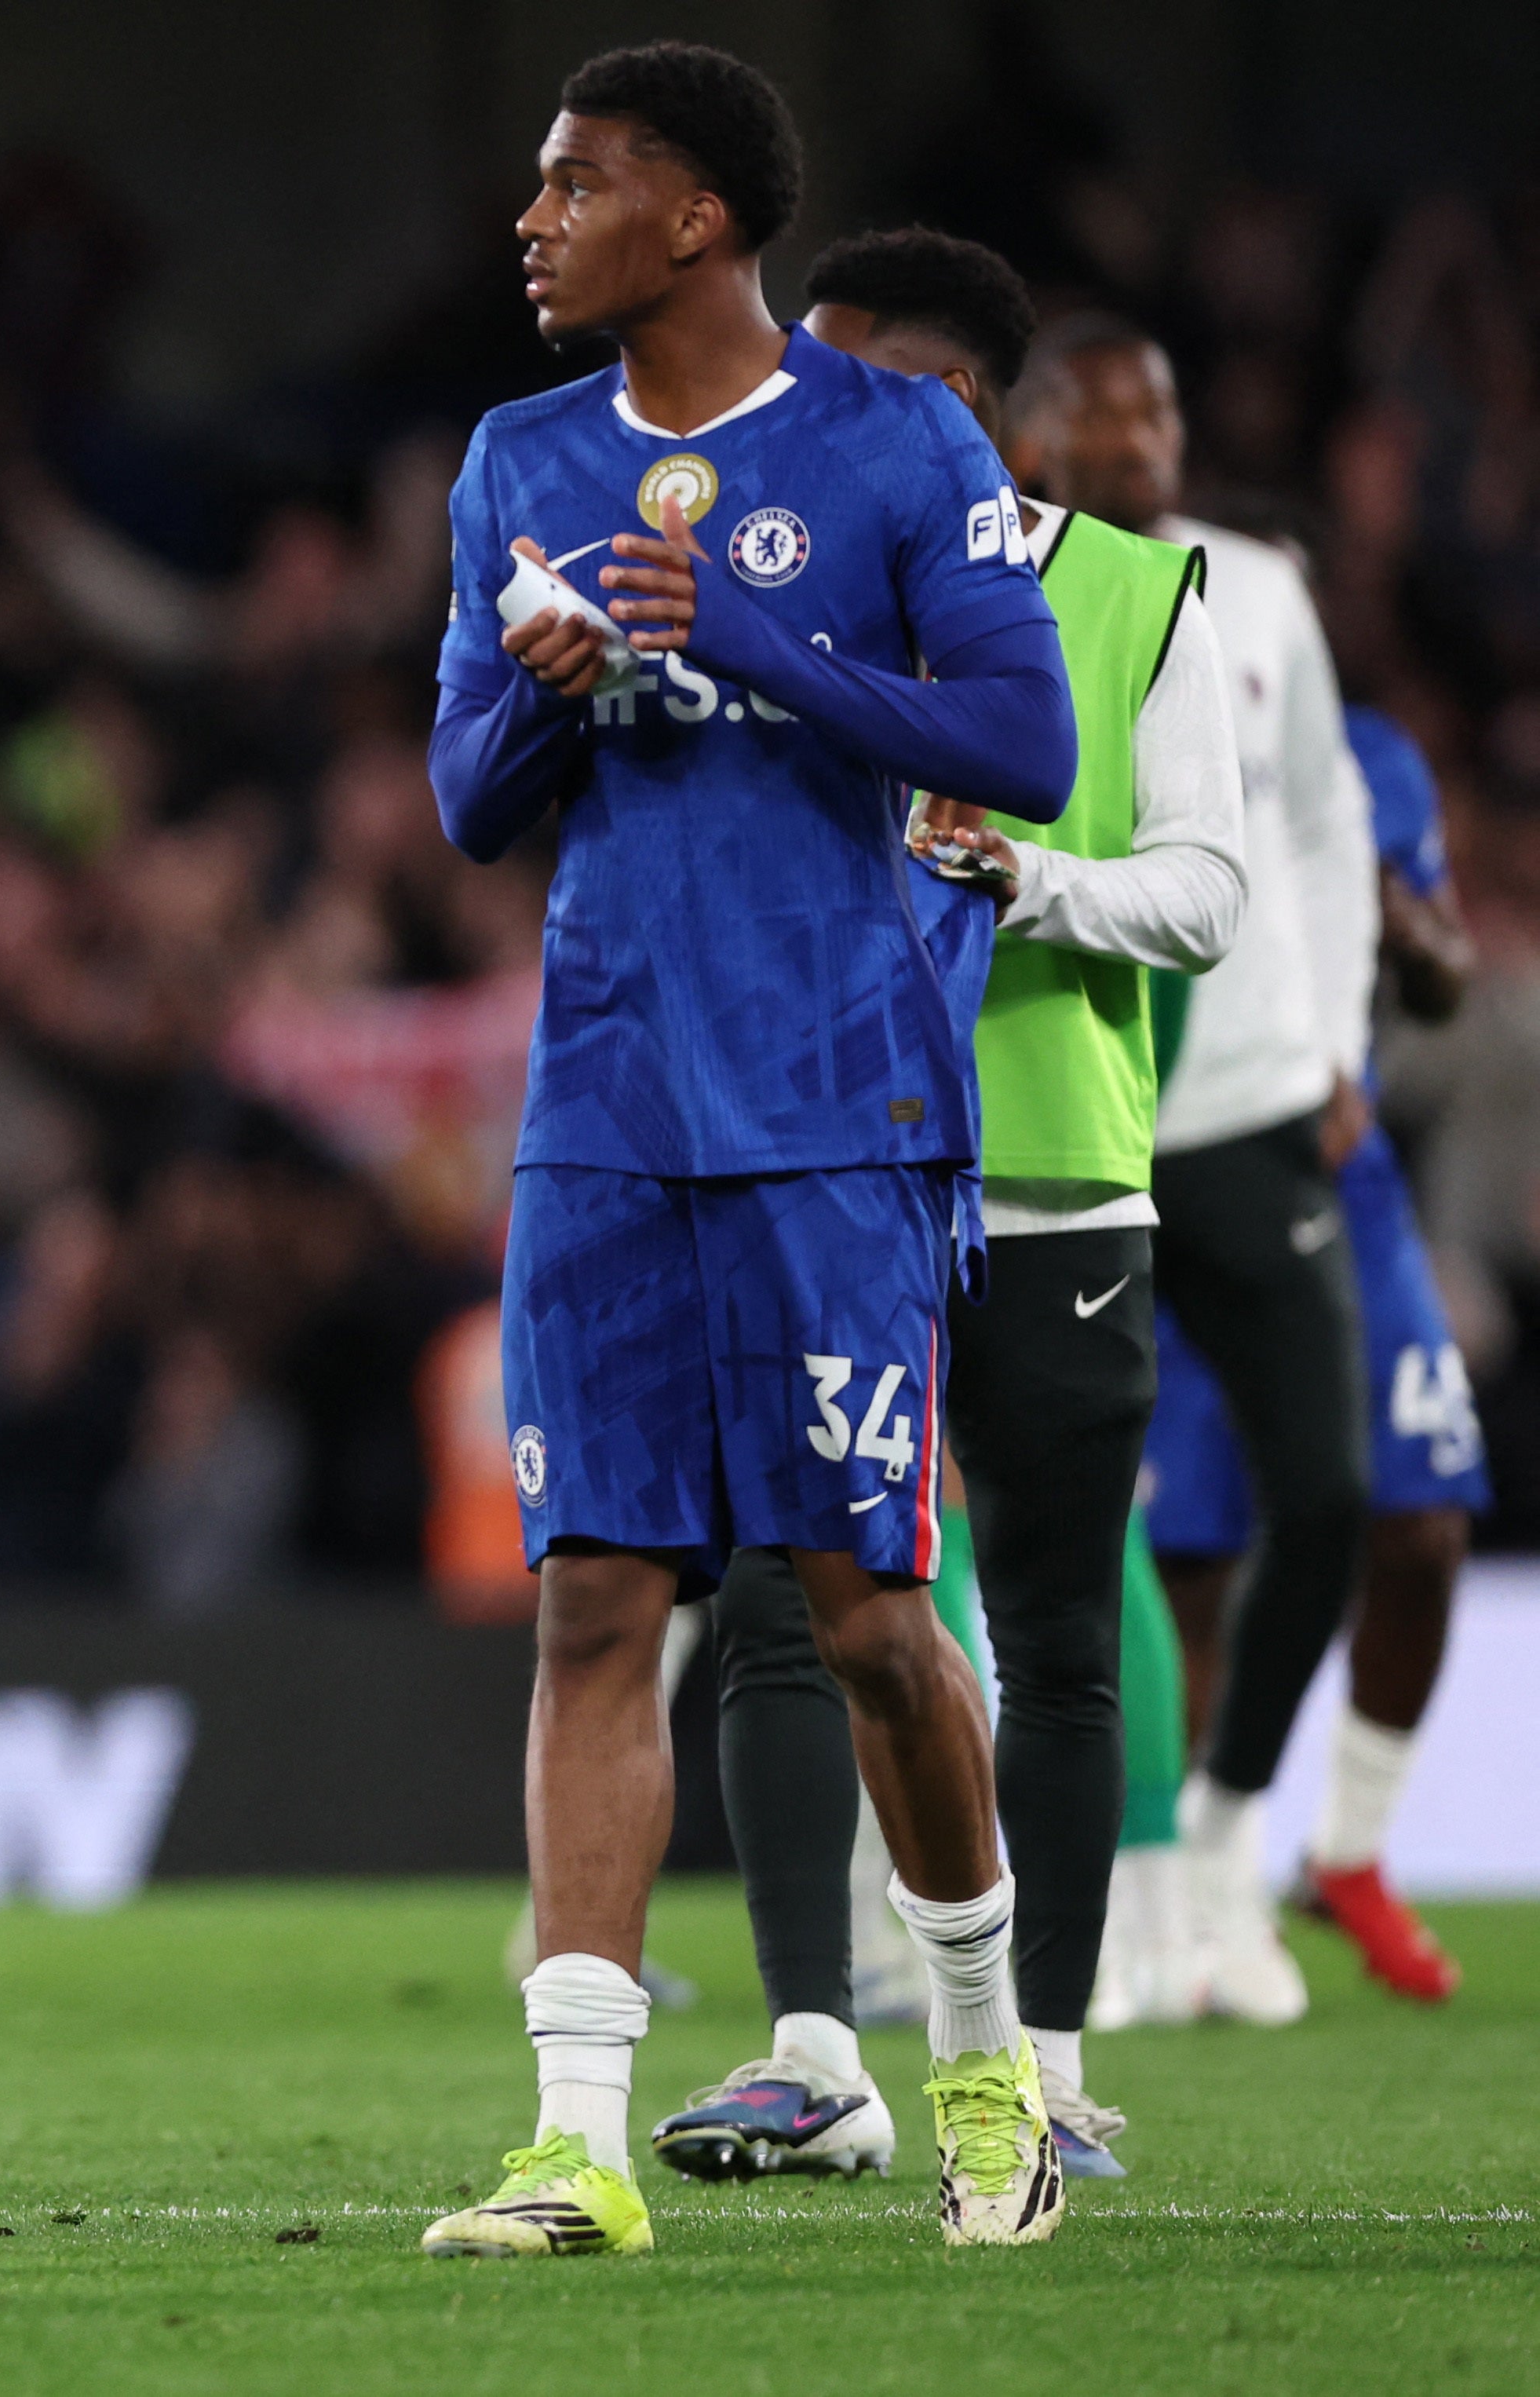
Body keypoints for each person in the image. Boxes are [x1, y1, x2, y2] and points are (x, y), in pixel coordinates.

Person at [421, 46, 1079, 2258]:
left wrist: (754, 644)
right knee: (592, 1597)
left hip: (834, 1105)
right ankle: (573, 2141)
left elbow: (1021, 739)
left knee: (869, 1617)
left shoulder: (896, 440)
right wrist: (546, 680)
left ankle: (980, 2071)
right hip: (604, 1109)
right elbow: (465, 800)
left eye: (572, 182)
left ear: (695, 215)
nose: (532, 221)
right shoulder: (516, 460)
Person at [647, 229, 1245, 2191]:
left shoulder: (1136, 598)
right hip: (821, 1166)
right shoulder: (785, 591)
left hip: (1055, 1172)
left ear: (950, 403)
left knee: (1054, 1627)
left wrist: (1029, 881)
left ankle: (1044, 2064)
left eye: (835, 383)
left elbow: (1206, 890)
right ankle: (815, 2055)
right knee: (775, 1601)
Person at [1022, 318, 1379, 2028]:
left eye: (1156, 412)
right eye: (1100, 417)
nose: (1137, 441)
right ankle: (1052, 1902)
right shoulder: (998, 591)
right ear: (1035, 436)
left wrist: (1341, 1038)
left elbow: (1321, 823)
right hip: (1075, 1115)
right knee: (1063, 1523)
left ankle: (1230, 1846)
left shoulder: (1262, 591)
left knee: (1329, 1487)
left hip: (1242, 1104)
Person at [1137, 701, 1482, 2004]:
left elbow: (1443, 975)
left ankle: (1346, 1851)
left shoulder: (1368, 758)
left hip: (1340, 1182)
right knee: (1194, 1562)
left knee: (1421, 1523)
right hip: (1170, 1175)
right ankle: (1192, 1889)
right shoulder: (1137, 716)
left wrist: (1411, 929)